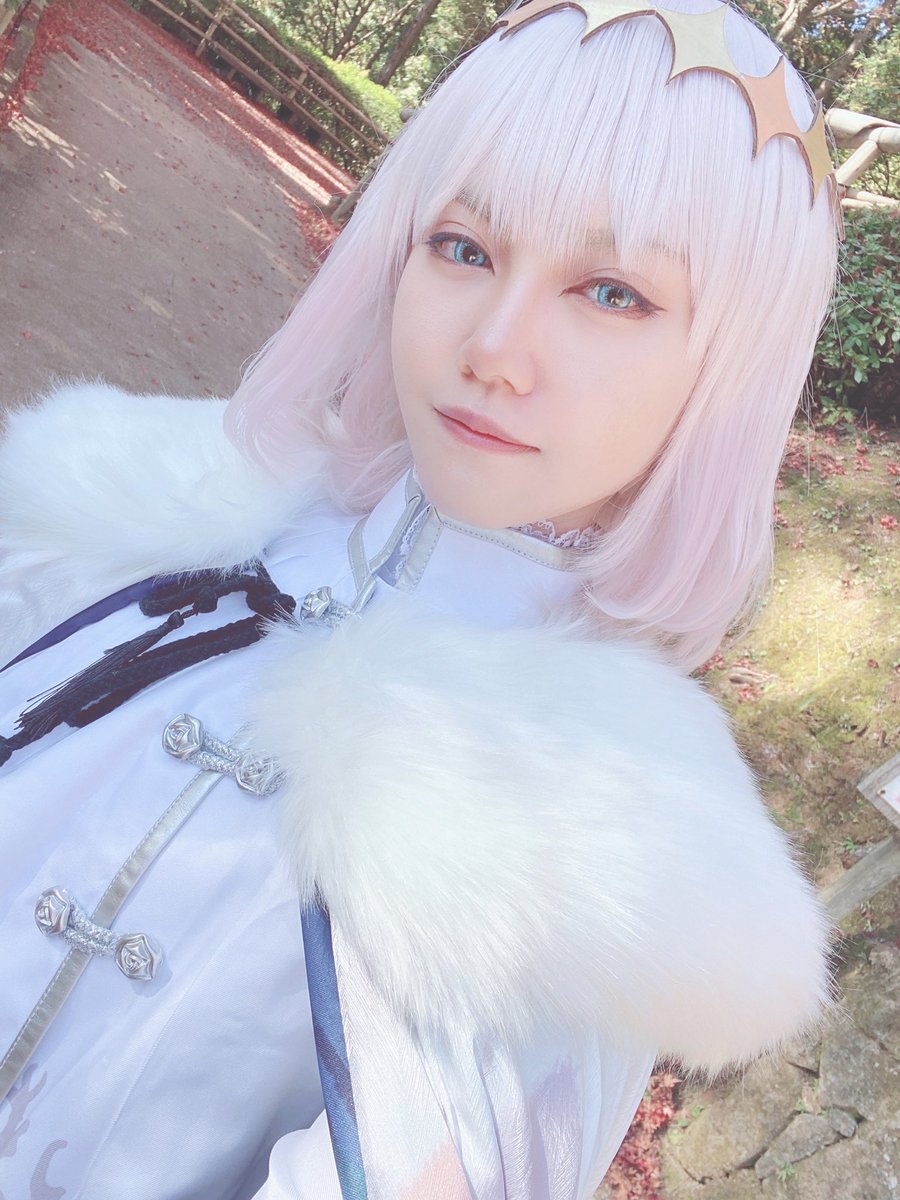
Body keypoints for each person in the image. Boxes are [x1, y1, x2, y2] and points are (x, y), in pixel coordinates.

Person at [0, 0, 840, 1196]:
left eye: (613, 292)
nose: (493, 346)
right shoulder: (133, 513)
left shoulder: (611, 856)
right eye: (464, 246)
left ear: (733, 368)